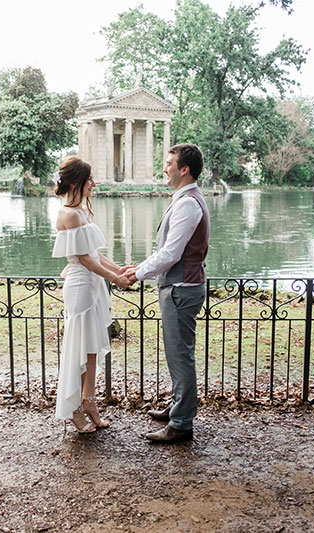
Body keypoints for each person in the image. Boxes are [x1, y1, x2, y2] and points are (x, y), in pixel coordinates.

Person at [124, 144, 210, 443]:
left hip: (181, 290)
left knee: (180, 355)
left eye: (169, 163)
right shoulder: (184, 200)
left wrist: (136, 274)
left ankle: (182, 423)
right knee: (177, 354)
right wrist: (142, 265)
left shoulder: (187, 203)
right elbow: (168, 250)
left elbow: (172, 253)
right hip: (180, 287)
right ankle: (177, 407)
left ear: (184, 169)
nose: (165, 167)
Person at [52, 156, 131, 433]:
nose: (94, 184)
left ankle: (89, 401)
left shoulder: (83, 210)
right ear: (76, 182)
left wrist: (119, 268)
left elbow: (96, 254)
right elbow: (83, 258)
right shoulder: (69, 214)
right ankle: (73, 408)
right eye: (90, 180)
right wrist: (114, 278)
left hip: (93, 283)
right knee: (79, 348)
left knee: (92, 348)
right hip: (80, 286)